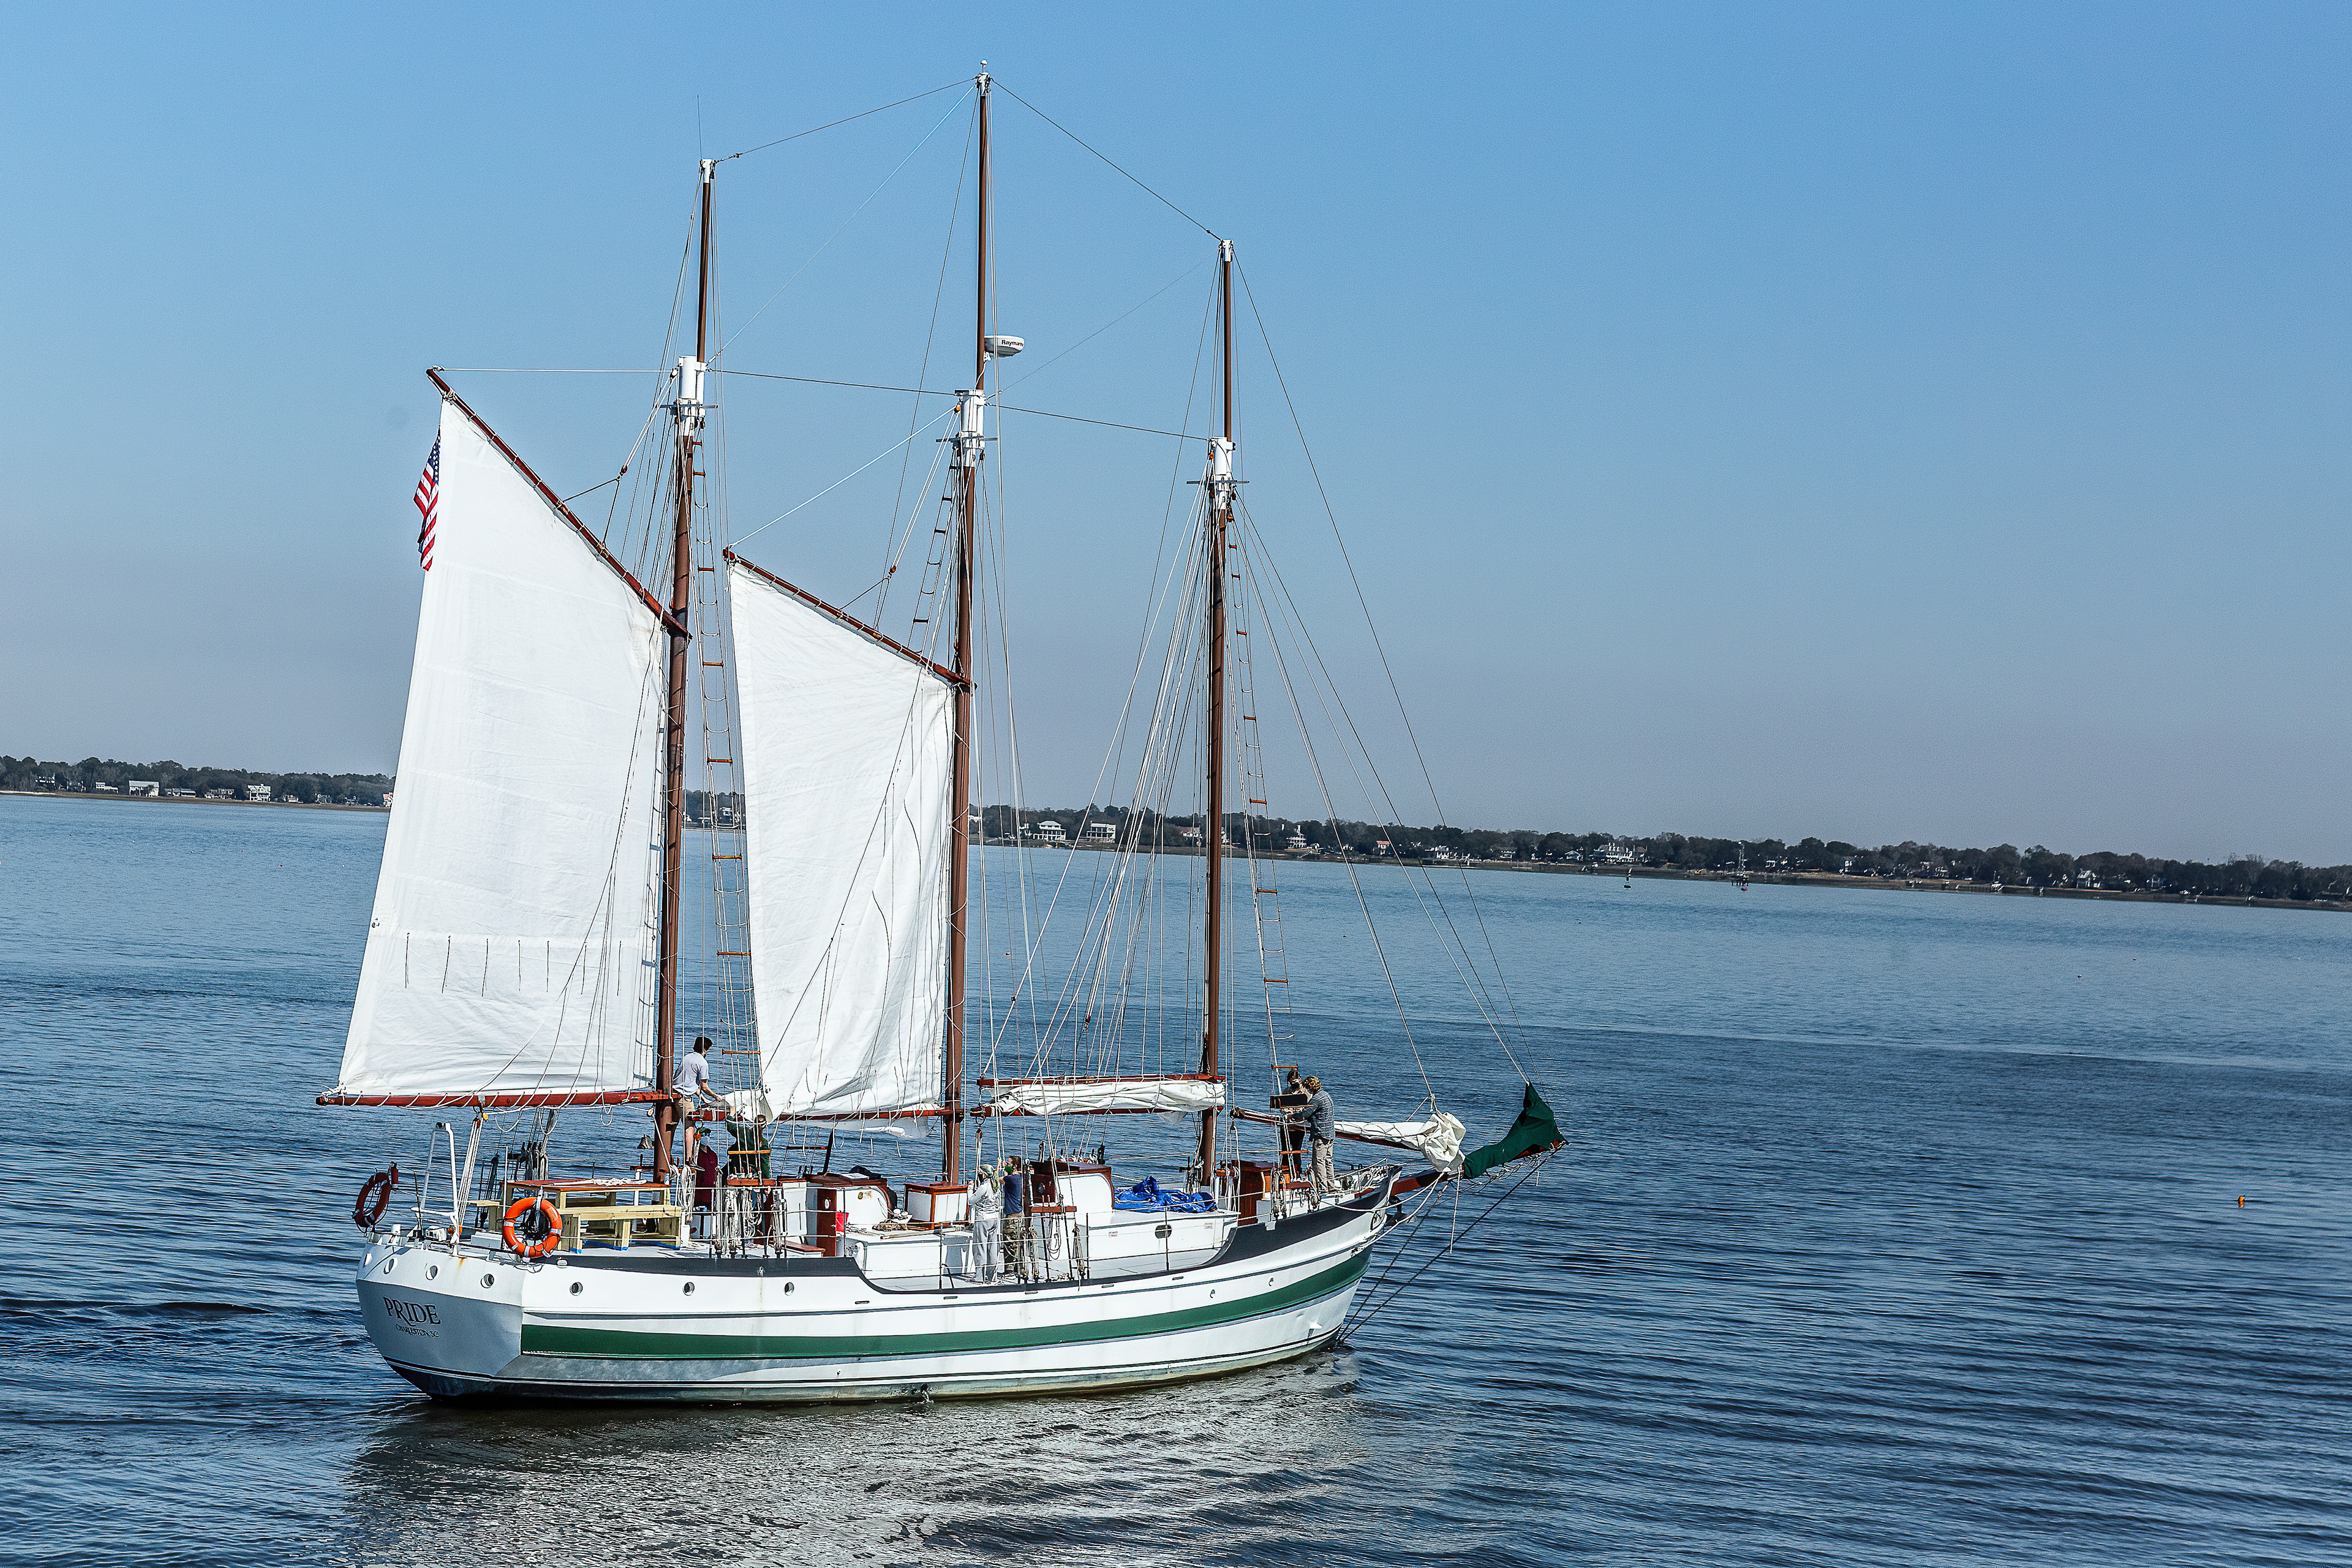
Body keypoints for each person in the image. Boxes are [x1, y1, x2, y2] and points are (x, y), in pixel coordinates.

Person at [1294, 1074, 1337, 1196]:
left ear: (1311, 1087)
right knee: (1328, 1161)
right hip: (1330, 1134)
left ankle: (1323, 1188)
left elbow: (1306, 1113)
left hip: (1322, 1135)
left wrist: (1292, 1115)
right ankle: (1331, 1186)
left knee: (1318, 1162)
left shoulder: (1316, 1099)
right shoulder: (1326, 1095)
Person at [1001, 1154, 1035, 1281]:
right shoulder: (1021, 1178)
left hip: (1012, 1217)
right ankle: (1018, 1269)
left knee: (1009, 1243)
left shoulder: (1012, 1179)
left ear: (1015, 1166)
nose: (1007, 1166)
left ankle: (1009, 1270)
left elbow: (997, 1180)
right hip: (1019, 1216)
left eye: (1009, 1164)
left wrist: (1000, 1167)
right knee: (1018, 1244)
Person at [968, 1164, 1003, 1283]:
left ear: (984, 1174)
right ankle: (992, 1276)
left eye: (980, 1172)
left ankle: (979, 1277)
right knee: (992, 1248)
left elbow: (971, 1201)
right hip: (994, 1218)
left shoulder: (983, 1187)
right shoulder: (996, 1187)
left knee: (980, 1247)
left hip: (983, 1219)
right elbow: (998, 1203)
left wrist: (970, 1188)